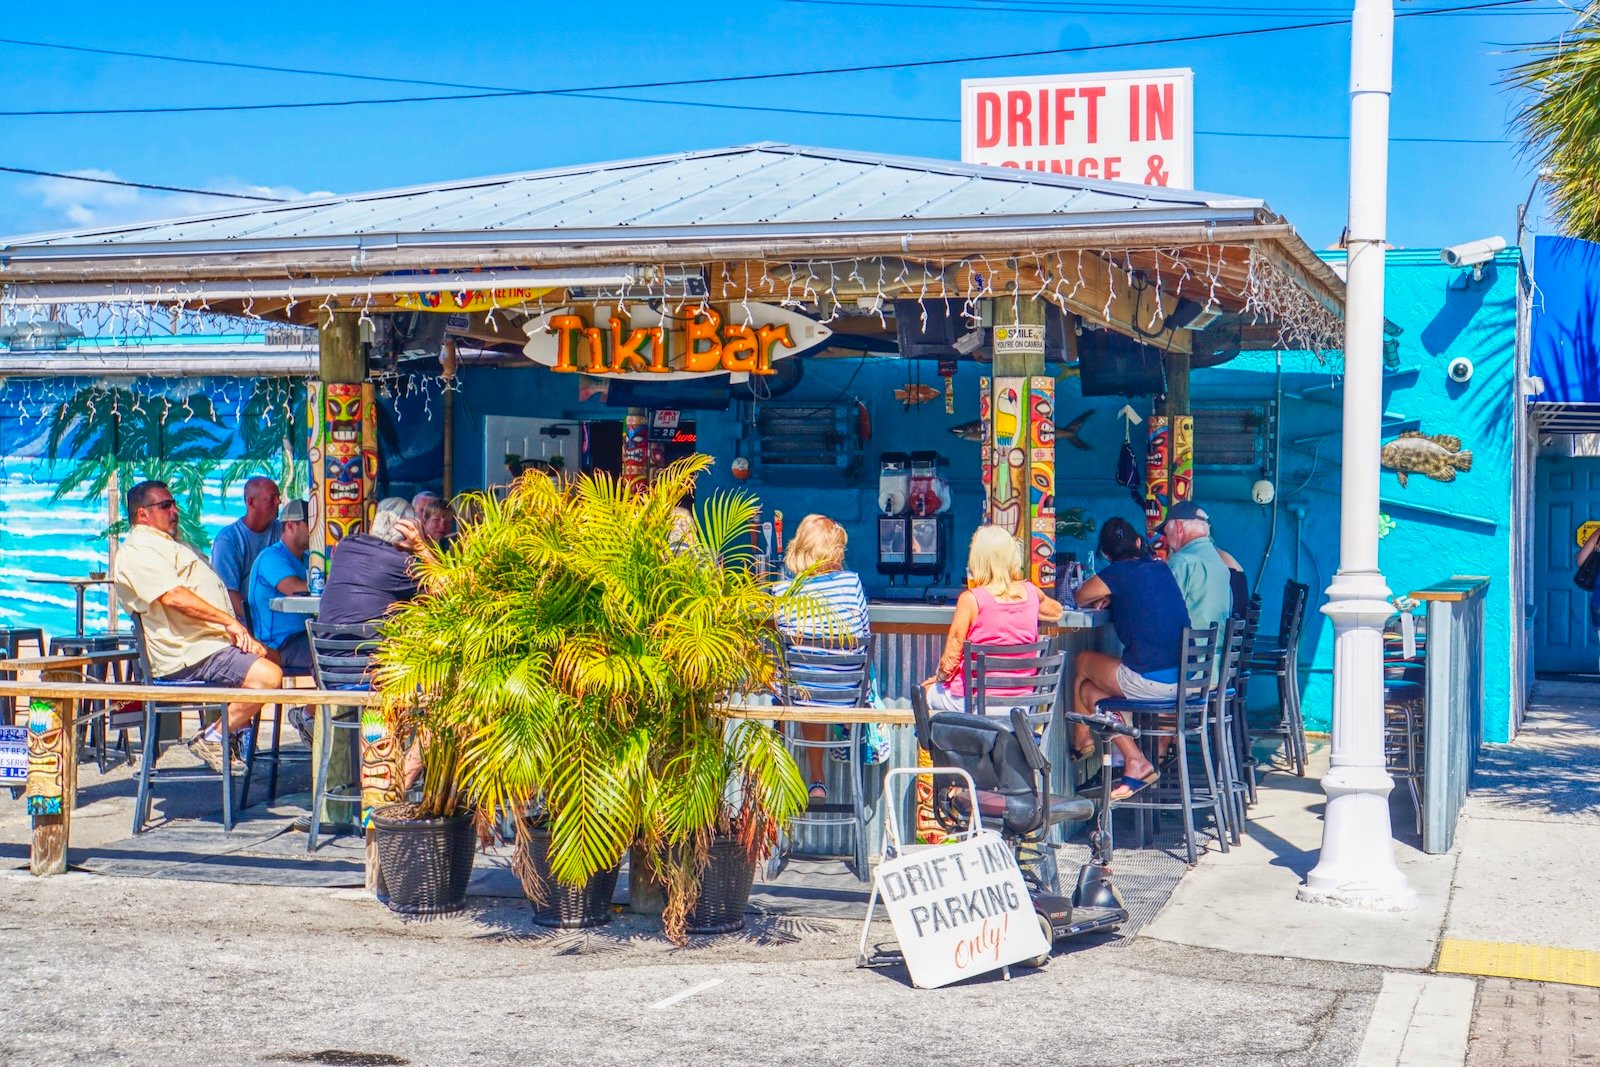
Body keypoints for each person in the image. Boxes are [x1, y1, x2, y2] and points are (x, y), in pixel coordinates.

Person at [113, 479, 283, 774]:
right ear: (142, 514)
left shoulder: (169, 543)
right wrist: (230, 622)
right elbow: (173, 595)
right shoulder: (138, 549)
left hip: (207, 645)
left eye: (174, 503)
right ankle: (215, 736)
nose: (174, 510)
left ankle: (238, 732)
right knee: (268, 676)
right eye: (165, 505)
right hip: (188, 654)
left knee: (274, 657)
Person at [1070, 517, 1191, 800]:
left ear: (1107, 555)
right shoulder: (1161, 569)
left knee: (1083, 661)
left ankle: (1083, 739)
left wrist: (1110, 592)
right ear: (1139, 542)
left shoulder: (1117, 573)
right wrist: (1114, 596)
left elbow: (1079, 596)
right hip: (1185, 680)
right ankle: (1131, 758)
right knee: (1088, 691)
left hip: (1151, 682)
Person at [772, 514, 871, 803]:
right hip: (848, 699)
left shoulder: (782, 591)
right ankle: (828, 772)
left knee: (799, 682)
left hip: (800, 699)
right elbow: (864, 633)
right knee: (817, 680)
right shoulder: (852, 584)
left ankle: (797, 778)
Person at [922, 525, 1065, 717]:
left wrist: (937, 680)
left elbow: (950, 661)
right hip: (1020, 706)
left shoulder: (971, 599)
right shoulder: (1031, 593)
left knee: (922, 693)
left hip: (972, 702)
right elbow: (1056, 611)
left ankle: (940, 747)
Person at [317, 498, 426, 626]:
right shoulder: (402, 562)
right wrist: (421, 546)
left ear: (373, 523)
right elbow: (443, 591)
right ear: (408, 533)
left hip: (325, 642)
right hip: (372, 644)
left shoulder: (345, 545)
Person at [245, 500, 313, 675]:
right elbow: (296, 589)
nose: (315, 529)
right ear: (291, 526)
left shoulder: (306, 560)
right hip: (281, 644)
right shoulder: (272, 557)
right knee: (334, 654)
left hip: (303, 636)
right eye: (311, 524)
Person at [210, 476, 283, 624]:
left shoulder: (282, 530)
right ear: (251, 502)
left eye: (278, 497)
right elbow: (229, 593)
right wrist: (258, 623)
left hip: (279, 620)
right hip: (250, 625)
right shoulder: (228, 541)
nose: (278, 502)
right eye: (272, 498)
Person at [1161, 501, 1234, 632]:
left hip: (1188, 650)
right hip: (1217, 649)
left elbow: (1163, 611)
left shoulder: (1182, 561)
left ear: (1178, 527)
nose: (1166, 540)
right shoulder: (1219, 562)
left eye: (1166, 533)